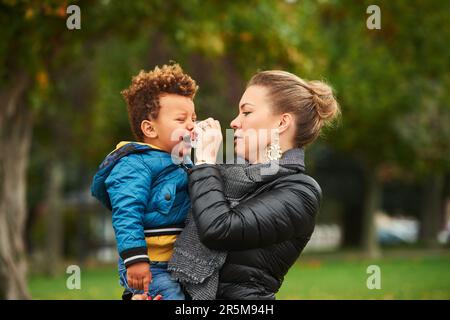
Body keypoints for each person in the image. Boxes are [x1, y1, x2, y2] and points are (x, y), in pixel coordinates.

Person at [169, 70, 340, 299]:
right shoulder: (226, 177)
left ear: (282, 122)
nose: (234, 122)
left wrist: (205, 163)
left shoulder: (301, 193)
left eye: (247, 112)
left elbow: (219, 229)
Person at [90, 63, 198, 300]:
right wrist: (136, 259)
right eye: (181, 119)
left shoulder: (185, 163)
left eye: (194, 117)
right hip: (150, 265)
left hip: (181, 262)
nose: (191, 125)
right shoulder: (134, 164)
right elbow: (127, 211)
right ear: (150, 128)